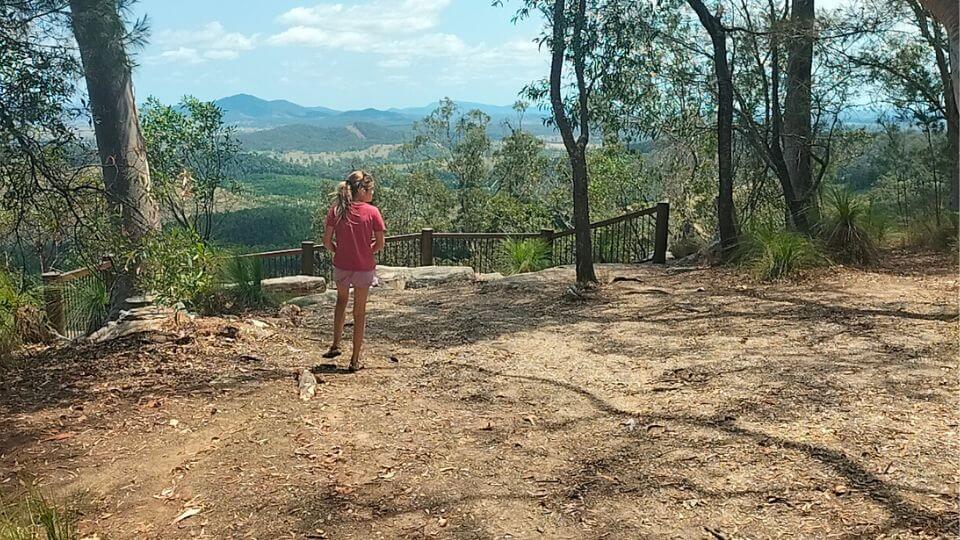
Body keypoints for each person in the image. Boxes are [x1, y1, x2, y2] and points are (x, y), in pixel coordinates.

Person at [321, 170, 386, 371]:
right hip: (364, 268)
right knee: (360, 312)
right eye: (371, 189)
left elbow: (326, 241)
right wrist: (367, 251)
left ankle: (335, 344)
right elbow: (380, 243)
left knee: (341, 302)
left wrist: (338, 251)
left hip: (342, 265)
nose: (373, 193)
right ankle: (355, 360)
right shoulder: (372, 212)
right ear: (363, 190)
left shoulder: (336, 210)